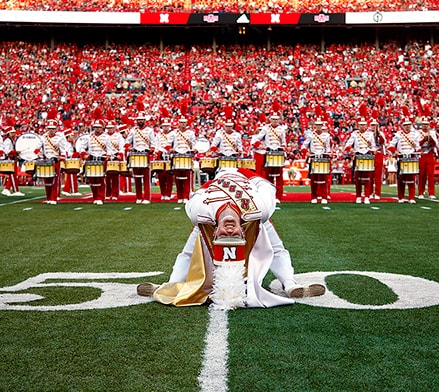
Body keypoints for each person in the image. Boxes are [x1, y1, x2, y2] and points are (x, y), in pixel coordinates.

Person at [137, 168, 325, 309]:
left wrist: (225, 178)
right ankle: (290, 284)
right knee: (275, 248)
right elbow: (266, 186)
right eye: (234, 235)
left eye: (224, 235)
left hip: (232, 178)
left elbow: (199, 192)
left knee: (188, 252)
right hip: (248, 188)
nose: (229, 231)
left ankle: (169, 287)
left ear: (214, 232)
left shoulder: (199, 212)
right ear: (243, 231)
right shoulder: (260, 210)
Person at [251, 114, 288, 201]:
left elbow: (283, 142)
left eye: (276, 119)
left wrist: (284, 147)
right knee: (268, 176)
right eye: (273, 119)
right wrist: (259, 145)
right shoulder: (265, 128)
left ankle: (278, 196)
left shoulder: (282, 129)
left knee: (279, 176)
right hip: (268, 153)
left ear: (279, 120)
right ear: (270, 120)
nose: (275, 121)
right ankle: (269, 196)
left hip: (278, 153)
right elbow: (257, 139)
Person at [387, 118, 422, 204]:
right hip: (402, 157)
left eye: (409, 125)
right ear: (403, 126)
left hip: (411, 157)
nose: (407, 127)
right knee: (401, 179)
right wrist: (395, 151)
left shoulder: (415, 135)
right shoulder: (398, 135)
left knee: (411, 178)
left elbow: (418, 147)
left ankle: (411, 197)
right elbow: (390, 145)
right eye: (406, 125)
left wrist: (419, 151)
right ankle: (400, 197)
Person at [125, 114, 157, 204]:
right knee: (137, 178)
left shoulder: (149, 130)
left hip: (145, 154)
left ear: (145, 121)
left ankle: (147, 198)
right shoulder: (133, 130)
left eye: (142, 120)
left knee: (146, 178)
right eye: (139, 120)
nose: (140, 121)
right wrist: (128, 147)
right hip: (135, 154)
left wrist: (152, 149)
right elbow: (127, 141)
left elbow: (153, 142)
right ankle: (138, 197)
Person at [344, 120, 377, 204]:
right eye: (361, 125)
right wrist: (352, 150)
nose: (362, 126)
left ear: (366, 126)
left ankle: (366, 196)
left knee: (368, 178)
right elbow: (347, 145)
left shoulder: (370, 134)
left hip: (367, 156)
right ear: (358, 126)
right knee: (358, 178)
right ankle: (358, 196)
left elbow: (374, 147)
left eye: (364, 125)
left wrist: (371, 148)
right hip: (358, 156)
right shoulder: (354, 134)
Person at [300, 119, 332, 204]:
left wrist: (329, 154)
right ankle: (314, 196)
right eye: (317, 125)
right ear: (315, 126)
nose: (318, 127)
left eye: (320, 125)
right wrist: (307, 153)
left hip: (323, 158)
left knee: (324, 178)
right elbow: (303, 146)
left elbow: (328, 148)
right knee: (314, 179)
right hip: (314, 158)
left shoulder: (327, 136)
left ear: (322, 126)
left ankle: (324, 196)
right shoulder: (311, 135)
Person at [166, 117, 197, 204]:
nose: (183, 124)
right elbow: (168, 144)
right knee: (177, 177)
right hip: (177, 156)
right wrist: (170, 149)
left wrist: (194, 149)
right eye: (181, 122)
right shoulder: (173, 133)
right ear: (178, 123)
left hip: (187, 155)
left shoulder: (190, 133)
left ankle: (186, 196)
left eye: (184, 122)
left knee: (187, 177)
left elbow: (194, 144)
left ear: (186, 123)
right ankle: (179, 197)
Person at [417, 119, 439, 200]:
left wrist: (430, 139)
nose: (425, 126)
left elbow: (436, 144)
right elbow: (417, 144)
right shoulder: (418, 133)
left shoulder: (432, 133)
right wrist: (424, 140)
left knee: (431, 174)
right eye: (424, 124)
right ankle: (421, 192)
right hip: (422, 154)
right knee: (422, 174)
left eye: (426, 125)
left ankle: (431, 193)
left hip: (430, 153)